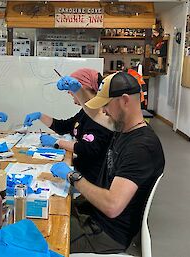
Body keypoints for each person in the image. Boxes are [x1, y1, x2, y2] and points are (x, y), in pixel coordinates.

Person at [50, 72, 165, 253]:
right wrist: (77, 89)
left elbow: (112, 206)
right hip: (95, 215)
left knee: (43, 237)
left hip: (106, 233)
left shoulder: (141, 148)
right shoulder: (124, 128)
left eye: (106, 104)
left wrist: (73, 177)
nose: (103, 110)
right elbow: (94, 114)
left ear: (124, 100)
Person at [23, 68, 113, 183]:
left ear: (83, 87)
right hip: (80, 169)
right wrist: (40, 116)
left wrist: (57, 142)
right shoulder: (85, 112)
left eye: (71, 89)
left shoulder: (100, 116)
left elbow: (87, 148)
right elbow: (64, 126)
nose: (69, 92)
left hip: (91, 179)